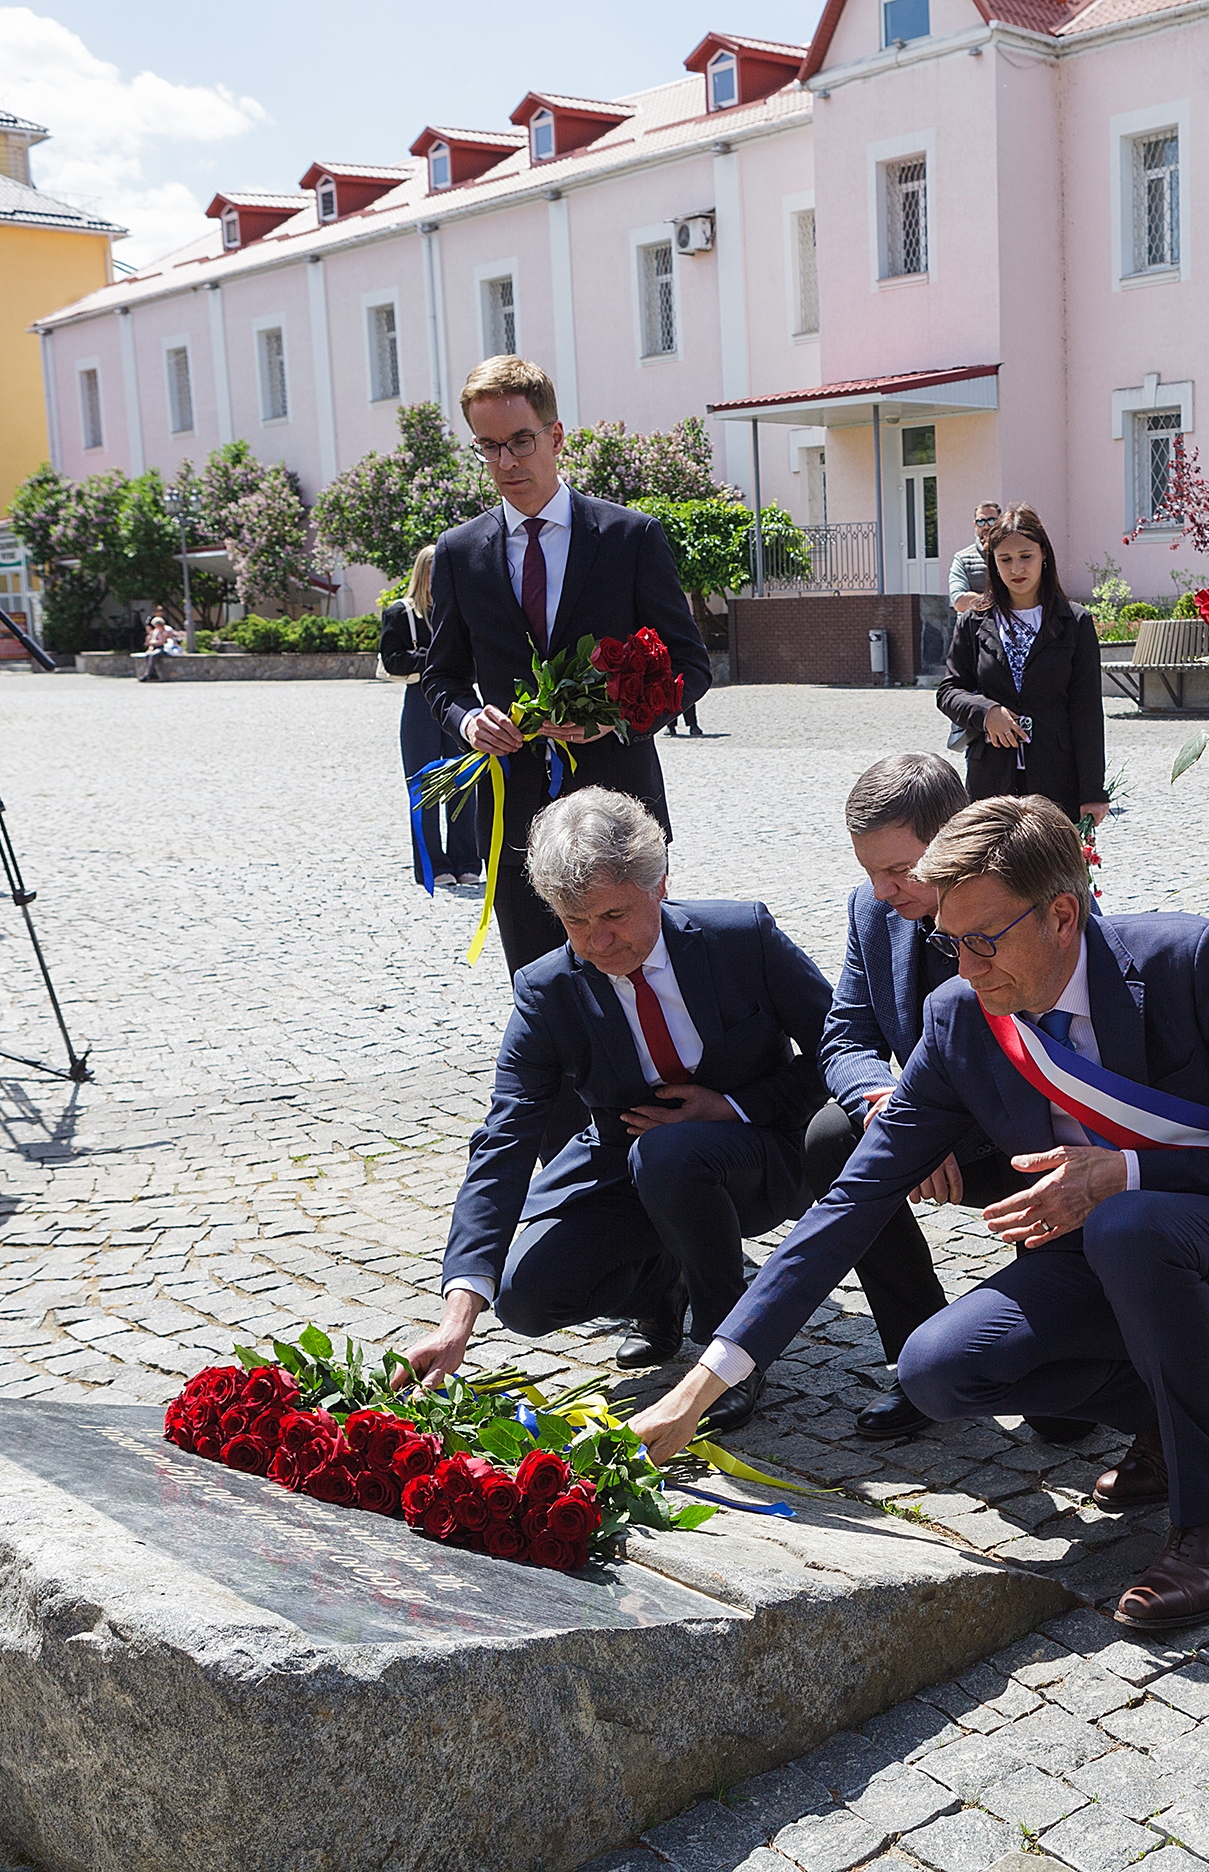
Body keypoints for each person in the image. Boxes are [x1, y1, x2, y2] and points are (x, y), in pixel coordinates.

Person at [628, 797, 1209, 1630]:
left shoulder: (1186, 961)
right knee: (937, 1370)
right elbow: (853, 1201)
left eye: (984, 940)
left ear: (1063, 915)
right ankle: (1173, 1419)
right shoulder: (961, 1017)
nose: (965, 968)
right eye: (950, 943)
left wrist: (1124, 1172)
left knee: (1131, 1222)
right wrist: (702, 1385)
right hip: (1095, 1261)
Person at [400, 788, 830, 1436]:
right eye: (575, 921)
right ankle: (664, 1287)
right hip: (630, 1168)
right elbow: (505, 1135)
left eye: (613, 915)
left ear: (658, 885)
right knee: (524, 1294)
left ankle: (725, 1353)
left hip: (757, 1152)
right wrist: (460, 1310)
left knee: (672, 1155)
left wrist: (733, 1106)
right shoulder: (547, 990)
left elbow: (840, 1042)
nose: (598, 941)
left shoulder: (741, 937)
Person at [799, 753, 1096, 1449]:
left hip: (1039, 1149)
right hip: (936, 1136)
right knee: (829, 1137)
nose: (880, 890)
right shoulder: (871, 914)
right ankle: (914, 1357)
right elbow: (844, 1037)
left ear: (953, 840)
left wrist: (930, 1128)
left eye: (898, 870)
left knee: (1060, 1423)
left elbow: (1060, 1069)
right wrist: (887, 1108)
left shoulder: (1029, 910)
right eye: (868, 869)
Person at [421, 356, 713, 975]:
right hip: (514, 810)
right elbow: (441, 678)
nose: (506, 462)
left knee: (635, 976)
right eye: (488, 447)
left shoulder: (629, 538)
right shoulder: (458, 553)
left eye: (520, 441)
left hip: (620, 810)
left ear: (555, 436)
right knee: (539, 984)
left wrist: (621, 721)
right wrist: (471, 721)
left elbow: (691, 665)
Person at [937, 503, 1111, 824]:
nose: (1016, 569)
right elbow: (948, 691)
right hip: (990, 781)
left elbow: (1086, 712)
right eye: (1005, 560)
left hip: (1055, 782)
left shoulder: (1074, 622)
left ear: (1043, 555)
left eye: (1025, 557)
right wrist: (986, 712)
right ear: (993, 564)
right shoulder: (974, 623)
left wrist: (1092, 792)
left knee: (1049, 874)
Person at [381, 545, 485, 891]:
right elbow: (393, 659)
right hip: (419, 703)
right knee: (421, 786)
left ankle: (467, 861)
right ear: (423, 573)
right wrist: (435, 660)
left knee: (463, 783)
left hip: (459, 702)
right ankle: (431, 865)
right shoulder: (402, 613)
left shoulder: (457, 609)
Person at [949, 502, 1005, 619]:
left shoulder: (1012, 555)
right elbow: (960, 601)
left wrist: (976, 599)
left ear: (1000, 522)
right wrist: (1000, 601)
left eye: (991, 520)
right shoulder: (962, 559)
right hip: (973, 630)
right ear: (975, 524)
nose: (986, 526)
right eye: (981, 521)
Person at [138, 605, 181, 683]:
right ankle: (153, 674)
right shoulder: (156, 630)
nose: (156, 628)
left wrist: (153, 643)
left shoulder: (167, 630)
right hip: (157, 647)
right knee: (148, 654)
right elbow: (152, 640)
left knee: (154, 655)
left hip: (167, 648)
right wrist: (151, 646)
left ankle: (147, 674)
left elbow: (162, 642)